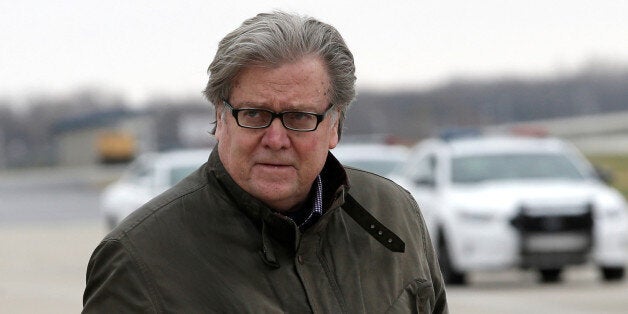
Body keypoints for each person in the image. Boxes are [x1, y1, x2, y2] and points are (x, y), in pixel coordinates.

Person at [83, 11, 448, 313]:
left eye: (300, 117)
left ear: (334, 124)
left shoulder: (394, 214)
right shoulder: (140, 258)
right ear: (220, 118)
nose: (275, 140)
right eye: (254, 114)